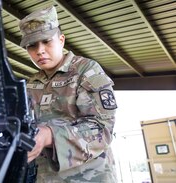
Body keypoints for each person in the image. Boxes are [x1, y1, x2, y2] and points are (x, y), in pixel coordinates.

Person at [19, 5, 117, 183]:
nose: (39, 50)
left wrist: (49, 135)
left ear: (61, 40)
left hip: (89, 178)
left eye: (47, 41)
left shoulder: (86, 70)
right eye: (31, 45)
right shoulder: (32, 83)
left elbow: (102, 128)